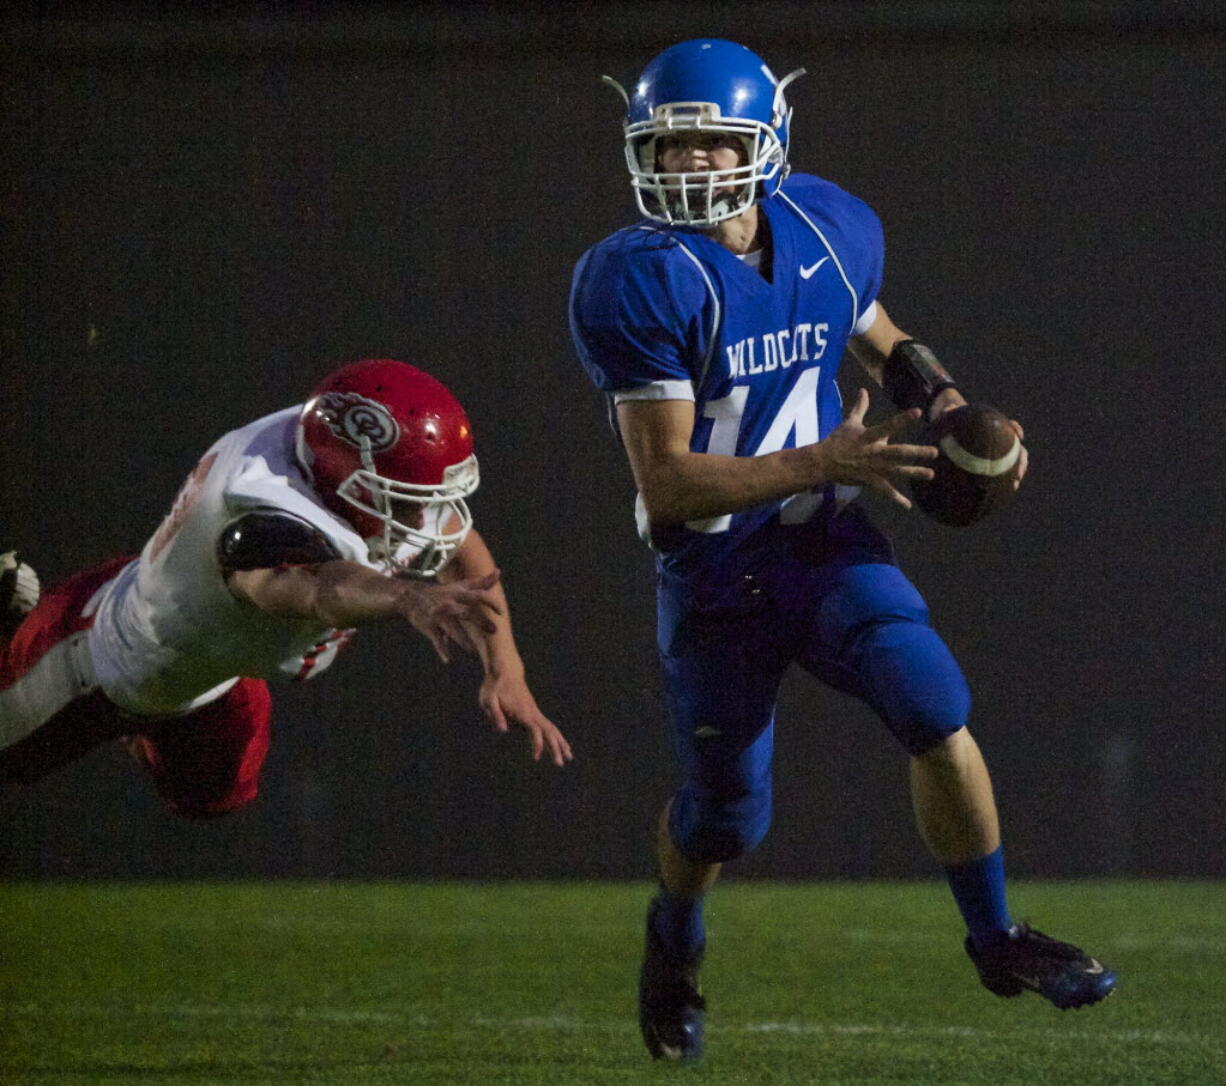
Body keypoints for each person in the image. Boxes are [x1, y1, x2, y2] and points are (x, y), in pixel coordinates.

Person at [568, 39, 1114, 1062]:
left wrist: (943, 403)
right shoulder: (632, 279)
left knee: (932, 703)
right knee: (726, 817)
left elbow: (873, 331)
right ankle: (673, 937)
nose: (685, 167)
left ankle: (995, 938)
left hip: (820, 539)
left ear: (763, 141)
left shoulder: (826, 220)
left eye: (707, 143)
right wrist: (823, 454)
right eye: (667, 146)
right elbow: (668, 483)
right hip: (713, 567)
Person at [0, 358, 570, 820]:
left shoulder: (327, 446)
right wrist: (407, 597)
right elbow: (312, 588)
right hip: (100, 656)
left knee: (214, 797)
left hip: (214, 667)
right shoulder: (259, 502)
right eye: (403, 500)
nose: (424, 519)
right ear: (344, 475)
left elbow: (463, 548)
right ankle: (15, 628)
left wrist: (506, 669)